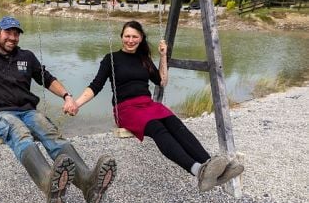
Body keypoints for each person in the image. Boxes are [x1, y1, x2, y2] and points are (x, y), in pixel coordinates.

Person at [0, 16, 117, 203]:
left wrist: (67, 96)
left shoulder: (27, 57)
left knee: (49, 131)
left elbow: (47, 79)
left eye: (16, 34)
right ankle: (48, 183)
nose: (12, 37)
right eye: (8, 33)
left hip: (28, 111)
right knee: (19, 132)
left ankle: (88, 182)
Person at [68, 20, 243, 192]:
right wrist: (77, 103)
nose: (130, 40)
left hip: (147, 104)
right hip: (126, 108)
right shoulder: (111, 59)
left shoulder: (143, 59)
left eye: (134, 37)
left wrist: (163, 56)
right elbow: (95, 86)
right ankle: (197, 170)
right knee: (157, 128)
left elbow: (161, 81)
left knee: (176, 125)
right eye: (127, 36)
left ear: (141, 38)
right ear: (121, 37)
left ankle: (212, 167)